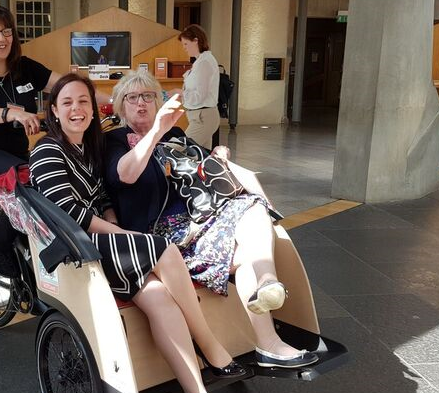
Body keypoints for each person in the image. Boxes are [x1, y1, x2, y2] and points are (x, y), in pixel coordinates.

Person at [30, 73, 245, 393]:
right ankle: (210, 345)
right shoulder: (48, 149)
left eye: (83, 102)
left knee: (160, 298)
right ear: (54, 110)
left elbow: (101, 200)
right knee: (165, 250)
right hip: (77, 248)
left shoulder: (87, 148)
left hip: (102, 244)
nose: (77, 109)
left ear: (93, 109)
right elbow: (72, 213)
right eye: (67, 103)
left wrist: (115, 223)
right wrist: (122, 233)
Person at [105, 70, 318, 368]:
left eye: (148, 96)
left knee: (253, 210)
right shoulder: (114, 141)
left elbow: (204, 163)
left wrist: (217, 153)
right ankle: (267, 322)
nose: (141, 103)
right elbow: (125, 175)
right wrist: (154, 134)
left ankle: (268, 313)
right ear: (121, 107)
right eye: (132, 98)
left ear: (158, 101)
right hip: (162, 237)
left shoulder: (175, 134)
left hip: (200, 221)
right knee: (243, 249)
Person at [0, 4, 107, 277]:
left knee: (50, 179)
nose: (2, 39)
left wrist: (120, 102)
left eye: (7, 31)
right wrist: (12, 113)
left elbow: (70, 87)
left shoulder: (23, 68)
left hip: (16, 153)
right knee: (25, 181)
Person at [171, 24, 221, 149]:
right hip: (200, 117)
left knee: (177, 149)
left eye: (186, 44)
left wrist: (180, 92)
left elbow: (199, 96)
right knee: (201, 158)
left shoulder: (204, 62)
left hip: (203, 118)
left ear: (196, 41)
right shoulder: (200, 61)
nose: (184, 48)